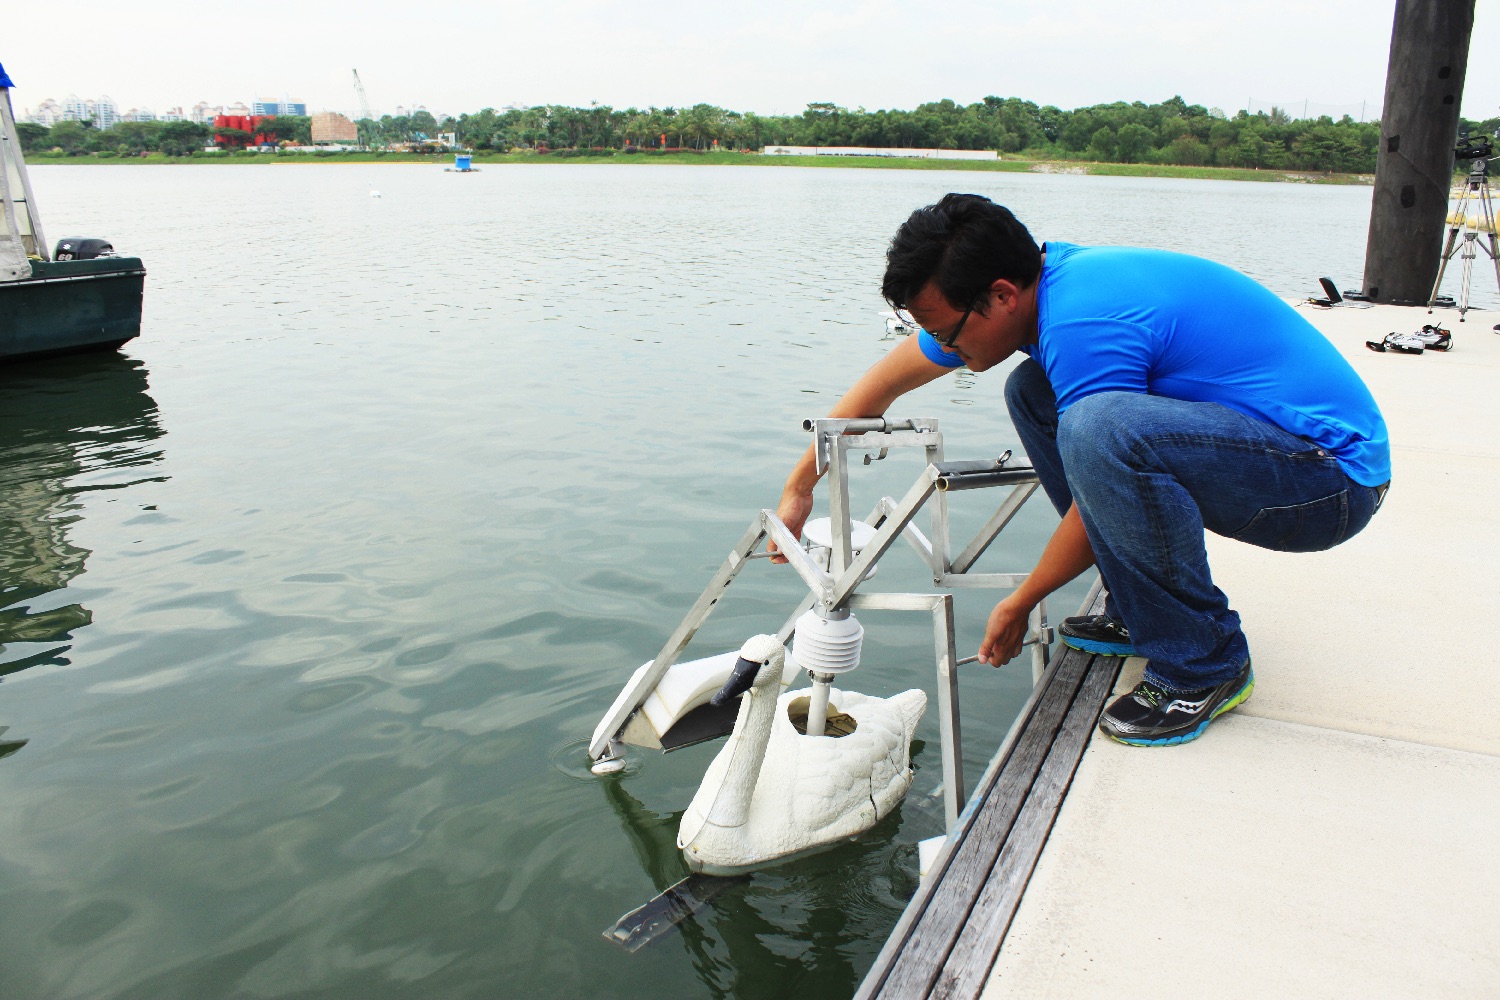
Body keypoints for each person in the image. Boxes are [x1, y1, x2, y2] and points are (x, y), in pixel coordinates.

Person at [770, 193, 1390, 747]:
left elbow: (1103, 464)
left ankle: (1205, 664)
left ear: (1002, 296)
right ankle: (1140, 606)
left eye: (949, 334)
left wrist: (1023, 600)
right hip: (1275, 457)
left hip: (1328, 482)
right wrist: (800, 489)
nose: (947, 350)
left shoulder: (1083, 323)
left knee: (1097, 427)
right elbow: (880, 389)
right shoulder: (1037, 290)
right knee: (1034, 392)